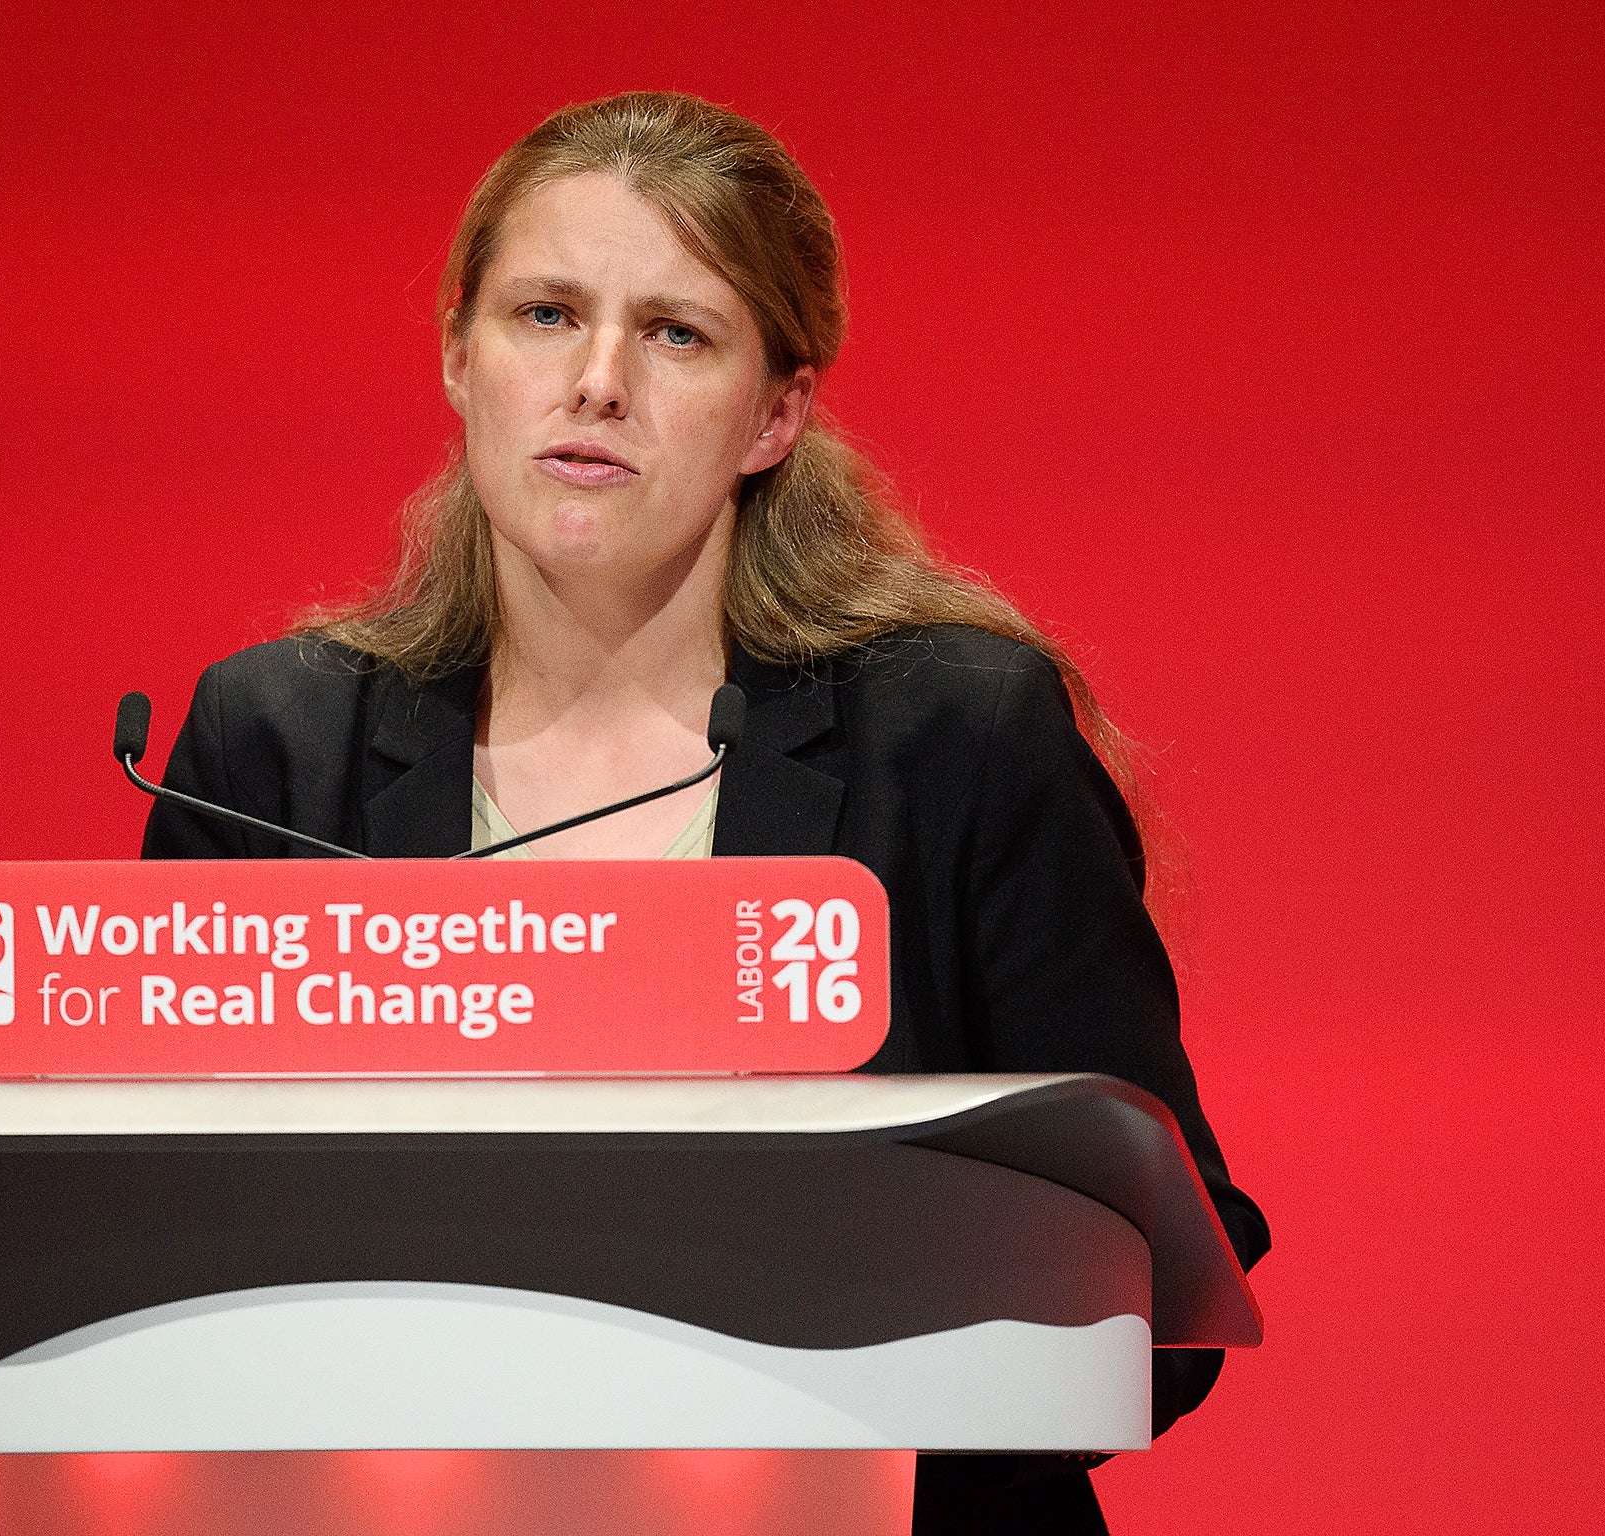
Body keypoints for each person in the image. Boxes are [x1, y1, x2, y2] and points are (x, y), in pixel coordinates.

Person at [143, 90, 1268, 1534]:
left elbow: (1153, 1294)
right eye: (546, 314)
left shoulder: (959, 736)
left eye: (677, 333)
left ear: (776, 411)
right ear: (456, 357)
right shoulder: (273, 749)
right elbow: (159, 1251)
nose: (598, 380)